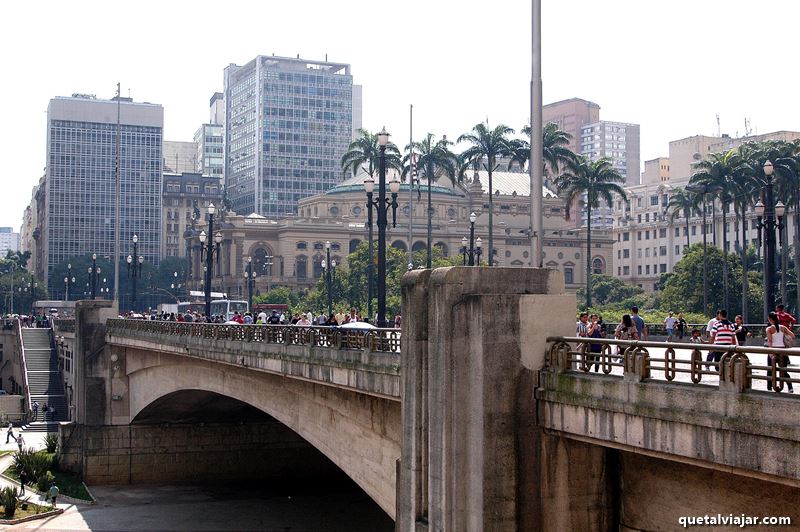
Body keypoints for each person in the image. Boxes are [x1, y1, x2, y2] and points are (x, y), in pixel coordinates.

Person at [766, 311, 795, 393]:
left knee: (770, 370)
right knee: (784, 370)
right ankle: (790, 387)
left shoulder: (769, 329)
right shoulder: (783, 327)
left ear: (770, 319)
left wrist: (770, 352)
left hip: (774, 350)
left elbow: (770, 341)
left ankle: (769, 388)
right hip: (782, 351)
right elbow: (792, 335)